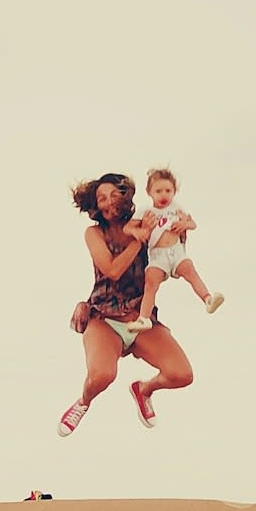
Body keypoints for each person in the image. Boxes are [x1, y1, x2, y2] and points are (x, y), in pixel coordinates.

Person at [59, 174, 196, 435]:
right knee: (102, 376)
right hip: (104, 318)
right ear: (95, 206)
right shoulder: (94, 233)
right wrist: (138, 240)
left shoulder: (146, 222)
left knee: (182, 374)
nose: (109, 202)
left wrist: (181, 226)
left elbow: (170, 255)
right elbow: (112, 270)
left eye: (114, 195)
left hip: (140, 318)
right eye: (101, 199)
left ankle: (143, 390)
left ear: (125, 198)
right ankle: (83, 402)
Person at [133, 165, 223, 329]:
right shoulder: (146, 210)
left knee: (190, 270)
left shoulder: (176, 207)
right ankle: (143, 318)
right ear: (149, 192)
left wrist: (184, 224)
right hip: (158, 255)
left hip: (176, 252)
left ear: (174, 191)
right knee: (151, 282)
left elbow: (193, 224)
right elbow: (129, 227)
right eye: (158, 191)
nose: (164, 195)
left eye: (168, 191)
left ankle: (207, 299)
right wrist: (137, 231)